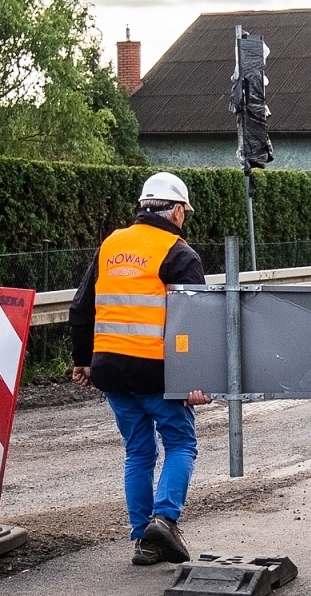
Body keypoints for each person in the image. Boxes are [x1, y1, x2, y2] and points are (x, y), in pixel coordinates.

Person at [69, 171, 213, 567]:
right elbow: (196, 323)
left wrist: (83, 360)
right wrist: (198, 378)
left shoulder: (111, 245)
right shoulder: (179, 253)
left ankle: (143, 541)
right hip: (155, 372)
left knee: (138, 451)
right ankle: (164, 521)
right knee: (180, 444)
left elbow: (81, 307)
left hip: (110, 370)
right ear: (177, 211)